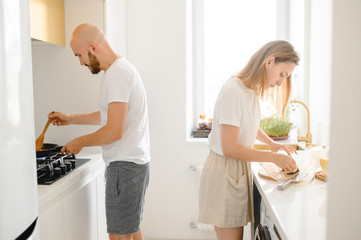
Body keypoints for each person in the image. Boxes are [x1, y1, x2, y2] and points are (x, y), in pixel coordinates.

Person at [48, 23, 150, 240]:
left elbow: (114, 130)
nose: (80, 62)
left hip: (125, 166)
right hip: (132, 164)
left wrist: (80, 142)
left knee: (119, 234)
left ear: (93, 47)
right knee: (131, 228)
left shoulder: (117, 74)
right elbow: (108, 116)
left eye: (79, 55)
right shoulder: (119, 70)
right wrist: (71, 119)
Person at [198, 40, 300, 240]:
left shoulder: (249, 90)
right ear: (270, 61)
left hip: (235, 171)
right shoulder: (233, 91)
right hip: (225, 173)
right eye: (282, 74)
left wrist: (272, 143)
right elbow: (229, 148)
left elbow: (248, 123)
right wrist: (273, 157)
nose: (281, 82)